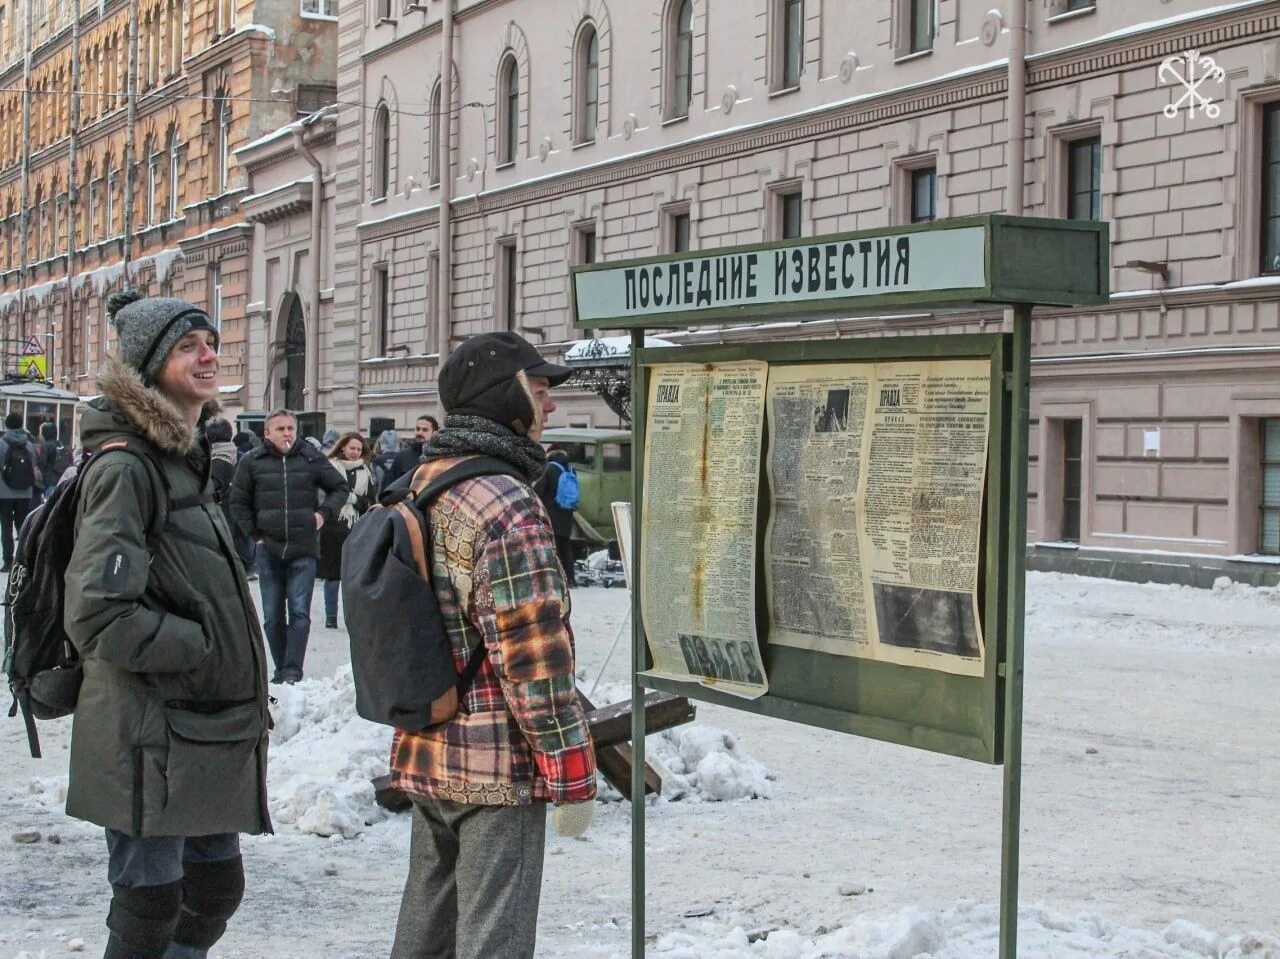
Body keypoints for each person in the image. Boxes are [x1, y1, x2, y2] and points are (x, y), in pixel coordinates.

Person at [62, 289, 270, 959]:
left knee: (214, 890)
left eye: (209, 341)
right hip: (148, 728)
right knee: (149, 907)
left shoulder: (184, 459)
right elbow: (99, 611)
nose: (209, 354)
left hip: (198, 727)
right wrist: (201, 648)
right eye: (188, 346)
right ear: (150, 368)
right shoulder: (127, 467)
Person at [388, 331, 596, 959]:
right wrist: (569, 767)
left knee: (425, 927)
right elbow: (533, 653)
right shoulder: (507, 503)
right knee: (493, 936)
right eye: (539, 392)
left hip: (426, 740)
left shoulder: (420, 480)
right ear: (505, 399)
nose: (551, 405)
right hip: (496, 763)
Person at [229, 409, 347, 684]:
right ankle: (280, 668)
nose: (286, 434)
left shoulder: (310, 457)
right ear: (266, 433)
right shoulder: (252, 461)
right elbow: (238, 501)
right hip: (268, 548)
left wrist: (322, 515)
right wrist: (254, 532)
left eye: (290, 428)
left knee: (299, 612)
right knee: (271, 616)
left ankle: (293, 671)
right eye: (280, 429)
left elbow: (339, 487)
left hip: (303, 547)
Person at [318, 431, 377, 629]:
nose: (355, 452)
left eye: (359, 449)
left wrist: (353, 499)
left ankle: (351, 617)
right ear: (342, 447)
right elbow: (322, 495)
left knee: (353, 576)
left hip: (356, 527)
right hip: (332, 526)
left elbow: (371, 502)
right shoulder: (329, 467)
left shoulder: (366, 472)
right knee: (332, 575)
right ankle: (330, 616)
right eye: (352, 448)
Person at [532, 446, 577, 587]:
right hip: (566, 513)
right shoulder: (570, 469)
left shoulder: (549, 469)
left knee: (553, 547)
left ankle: (556, 579)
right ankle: (571, 578)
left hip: (551, 514)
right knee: (566, 546)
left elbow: (538, 490)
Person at [0, 411, 39, 570]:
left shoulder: (2, 443)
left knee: (6, 526)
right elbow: (33, 464)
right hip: (25, 491)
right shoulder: (28, 444)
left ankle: (8, 561)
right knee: (23, 526)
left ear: (7, 425)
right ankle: (23, 560)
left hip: (4, 492)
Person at [383, 414, 439, 488]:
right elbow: (389, 487)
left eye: (425, 430)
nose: (420, 433)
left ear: (434, 434)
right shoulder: (402, 457)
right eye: (417, 429)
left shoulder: (440, 457)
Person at [36, 421, 71, 501]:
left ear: (44, 433)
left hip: (50, 481)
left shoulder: (46, 446)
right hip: (63, 479)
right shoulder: (62, 445)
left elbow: (42, 464)